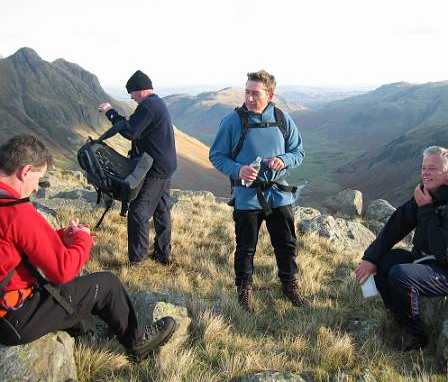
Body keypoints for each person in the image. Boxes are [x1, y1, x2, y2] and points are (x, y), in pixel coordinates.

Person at [0, 134, 176, 360]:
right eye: (38, 179)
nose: (36, 189)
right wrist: (83, 240)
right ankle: (138, 341)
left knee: (81, 306)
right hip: (15, 316)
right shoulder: (17, 212)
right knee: (106, 285)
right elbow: (62, 270)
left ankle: (86, 331)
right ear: (25, 171)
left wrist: (62, 236)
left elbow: (15, 246)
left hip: (9, 306)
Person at [355, 146, 448, 351]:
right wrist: (370, 258)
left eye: (432, 168)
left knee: (400, 275)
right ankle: (399, 316)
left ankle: (416, 336)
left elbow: (442, 249)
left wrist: (426, 208)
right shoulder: (428, 194)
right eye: (424, 168)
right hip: (424, 260)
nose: (425, 173)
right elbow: (397, 224)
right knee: (385, 262)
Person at [209, 69, 308, 312]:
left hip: (278, 194)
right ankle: (244, 292)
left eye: (255, 93)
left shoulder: (283, 119)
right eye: (247, 92)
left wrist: (284, 160)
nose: (249, 98)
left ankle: (290, 286)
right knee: (245, 248)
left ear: (270, 95)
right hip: (247, 197)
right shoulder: (232, 122)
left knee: (286, 244)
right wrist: (238, 170)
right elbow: (217, 155)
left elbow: (298, 152)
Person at [98, 70, 177, 265]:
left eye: (132, 93)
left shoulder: (149, 107)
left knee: (138, 211)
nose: (131, 97)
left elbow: (131, 131)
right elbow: (134, 126)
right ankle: (162, 254)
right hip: (165, 165)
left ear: (140, 90)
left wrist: (110, 112)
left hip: (155, 169)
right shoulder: (154, 104)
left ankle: (138, 260)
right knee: (161, 209)